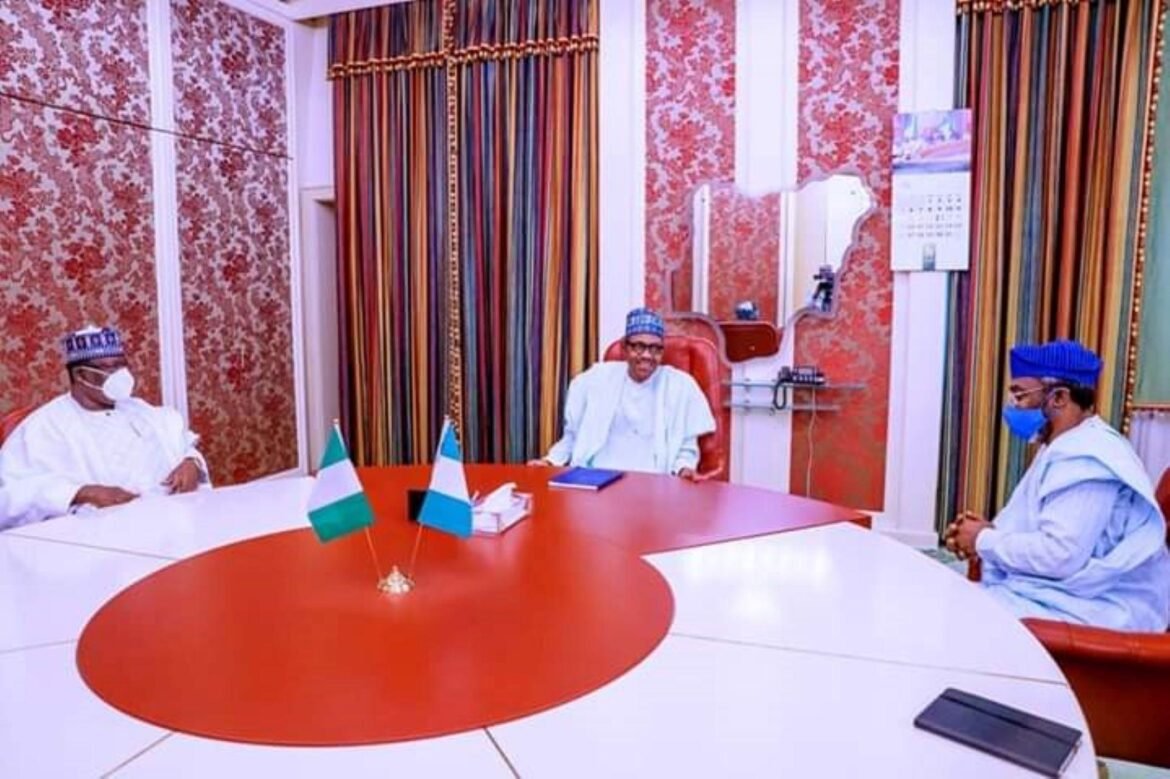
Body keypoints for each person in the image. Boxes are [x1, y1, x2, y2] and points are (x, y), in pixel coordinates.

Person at [945, 340, 1170, 631]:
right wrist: (982, 535)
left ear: (1059, 397)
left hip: (1098, 605)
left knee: (953, 613)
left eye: (1020, 395)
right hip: (1069, 591)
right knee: (945, 588)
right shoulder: (1064, 443)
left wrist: (982, 540)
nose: (1014, 406)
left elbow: (1059, 556)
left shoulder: (1087, 456)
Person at [0, 326, 208, 530]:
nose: (119, 374)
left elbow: (182, 444)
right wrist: (82, 493)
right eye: (107, 368)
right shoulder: (43, 427)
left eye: (120, 365)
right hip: (98, 538)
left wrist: (191, 463)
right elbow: (10, 495)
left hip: (169, 523)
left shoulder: (141, 410)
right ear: (80, 375)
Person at [529, 308, 716, 480]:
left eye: (655, 348)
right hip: (597, 479)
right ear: (625, 348)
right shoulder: (595, 380)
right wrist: (550, 462)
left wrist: (684, 469)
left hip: (652, 483)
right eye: (638, 346)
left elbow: (686, 447)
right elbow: (573, 437)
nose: (647, 356)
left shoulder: (680, 386)